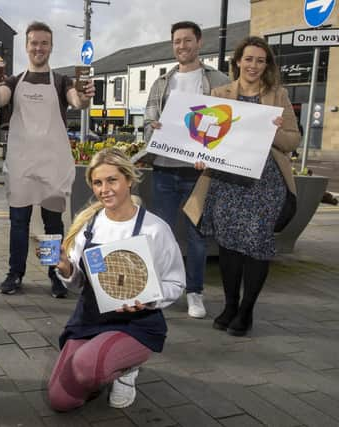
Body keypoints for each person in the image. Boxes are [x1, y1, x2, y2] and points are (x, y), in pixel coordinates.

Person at [47, 148, 185, 411]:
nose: (104, 189)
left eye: (112, 180)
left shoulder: (154, 229)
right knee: (60, 401)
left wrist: (149, 300)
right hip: (89, 319)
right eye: (97, 182)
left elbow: (176, 283)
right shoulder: (87, 227)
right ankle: (101, 365)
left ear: (129, 180)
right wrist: (65, 269)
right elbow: (78, 285)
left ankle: (125, 370)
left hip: (134, 323)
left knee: (86, 367)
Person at [184, 36, 300, 336]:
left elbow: (293, 140)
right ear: (237, 61)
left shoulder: (279, 95)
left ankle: (246, 311)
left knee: (257, 244)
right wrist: (200, 156)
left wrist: (273, 132)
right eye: (248, 59)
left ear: (267, 65)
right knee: (229, 245)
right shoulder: (219, 93)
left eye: (261, 60)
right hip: (226, 181)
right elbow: (207, 136)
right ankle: (230, 305)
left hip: (265, 184)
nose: (254, 65)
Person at [0, 21, 95, 298]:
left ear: (51, 47)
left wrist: (84, 97)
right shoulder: (12, 81)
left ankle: (55, 275)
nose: (38, 47)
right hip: (21, 165)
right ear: (26, 46)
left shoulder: (62, 82)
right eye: (34, 42)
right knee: (18, 223)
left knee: (53, 226)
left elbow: (78, 101)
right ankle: (15, 273)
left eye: (44, 43)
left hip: (52, 166)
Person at [144, 21, 230, 319]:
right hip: (164, 170)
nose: (182, 46)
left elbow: (228, 122)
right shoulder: (161, 82)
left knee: (196, 236)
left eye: (187, 41)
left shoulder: (218, 80)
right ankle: (162, 289)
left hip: (199, 174)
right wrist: (152, 130)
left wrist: (211, 154)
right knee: (161, 233)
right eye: (177, 42)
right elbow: (148, 122)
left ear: (199, 42)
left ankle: (194, 293)